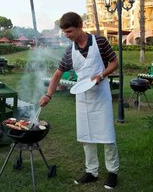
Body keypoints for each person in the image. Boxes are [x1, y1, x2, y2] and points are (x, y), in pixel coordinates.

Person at [39, 12, 119, 190]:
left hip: (100, 95)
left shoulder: (100, 42)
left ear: (80, 25)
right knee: (86, 136)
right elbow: (58, 73)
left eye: (70, 31)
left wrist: (101, 74)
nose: (67, 35)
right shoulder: (70, 51)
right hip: (82, 97)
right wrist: (48, 95)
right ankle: (92, 171)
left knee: (107, 136)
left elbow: (114, 63)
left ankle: (112, 172)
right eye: (65, 32)